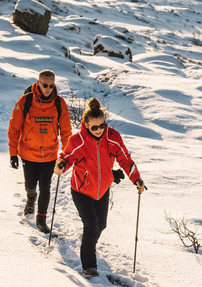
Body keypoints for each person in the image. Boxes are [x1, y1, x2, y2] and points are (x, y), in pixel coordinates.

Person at [54, 97, 145, 278]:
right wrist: (61, 165)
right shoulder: (77, 140)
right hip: (81, 190)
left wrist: (137, 179)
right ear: (86, 125)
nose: (98, 130)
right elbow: (66, 156)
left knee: (100, 225)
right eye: (94, 127)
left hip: (102, 189)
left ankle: (87, 243)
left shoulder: (113, 138)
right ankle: (89, 267)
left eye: (102, 126)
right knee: (91, 226)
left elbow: (125, 159)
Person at [8, 69, 72, 233]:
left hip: (49, 155)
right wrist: (12, 153)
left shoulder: (59, 103)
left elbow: (66, 132)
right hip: (28, 153)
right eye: (45, 85)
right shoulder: (25, 101)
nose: (48, 89)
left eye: (51, 85)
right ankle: (30, 199)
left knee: (45, 187)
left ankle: (41, 221)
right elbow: (14, 128)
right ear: (38, 83)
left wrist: (65, 156)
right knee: (30, 185)